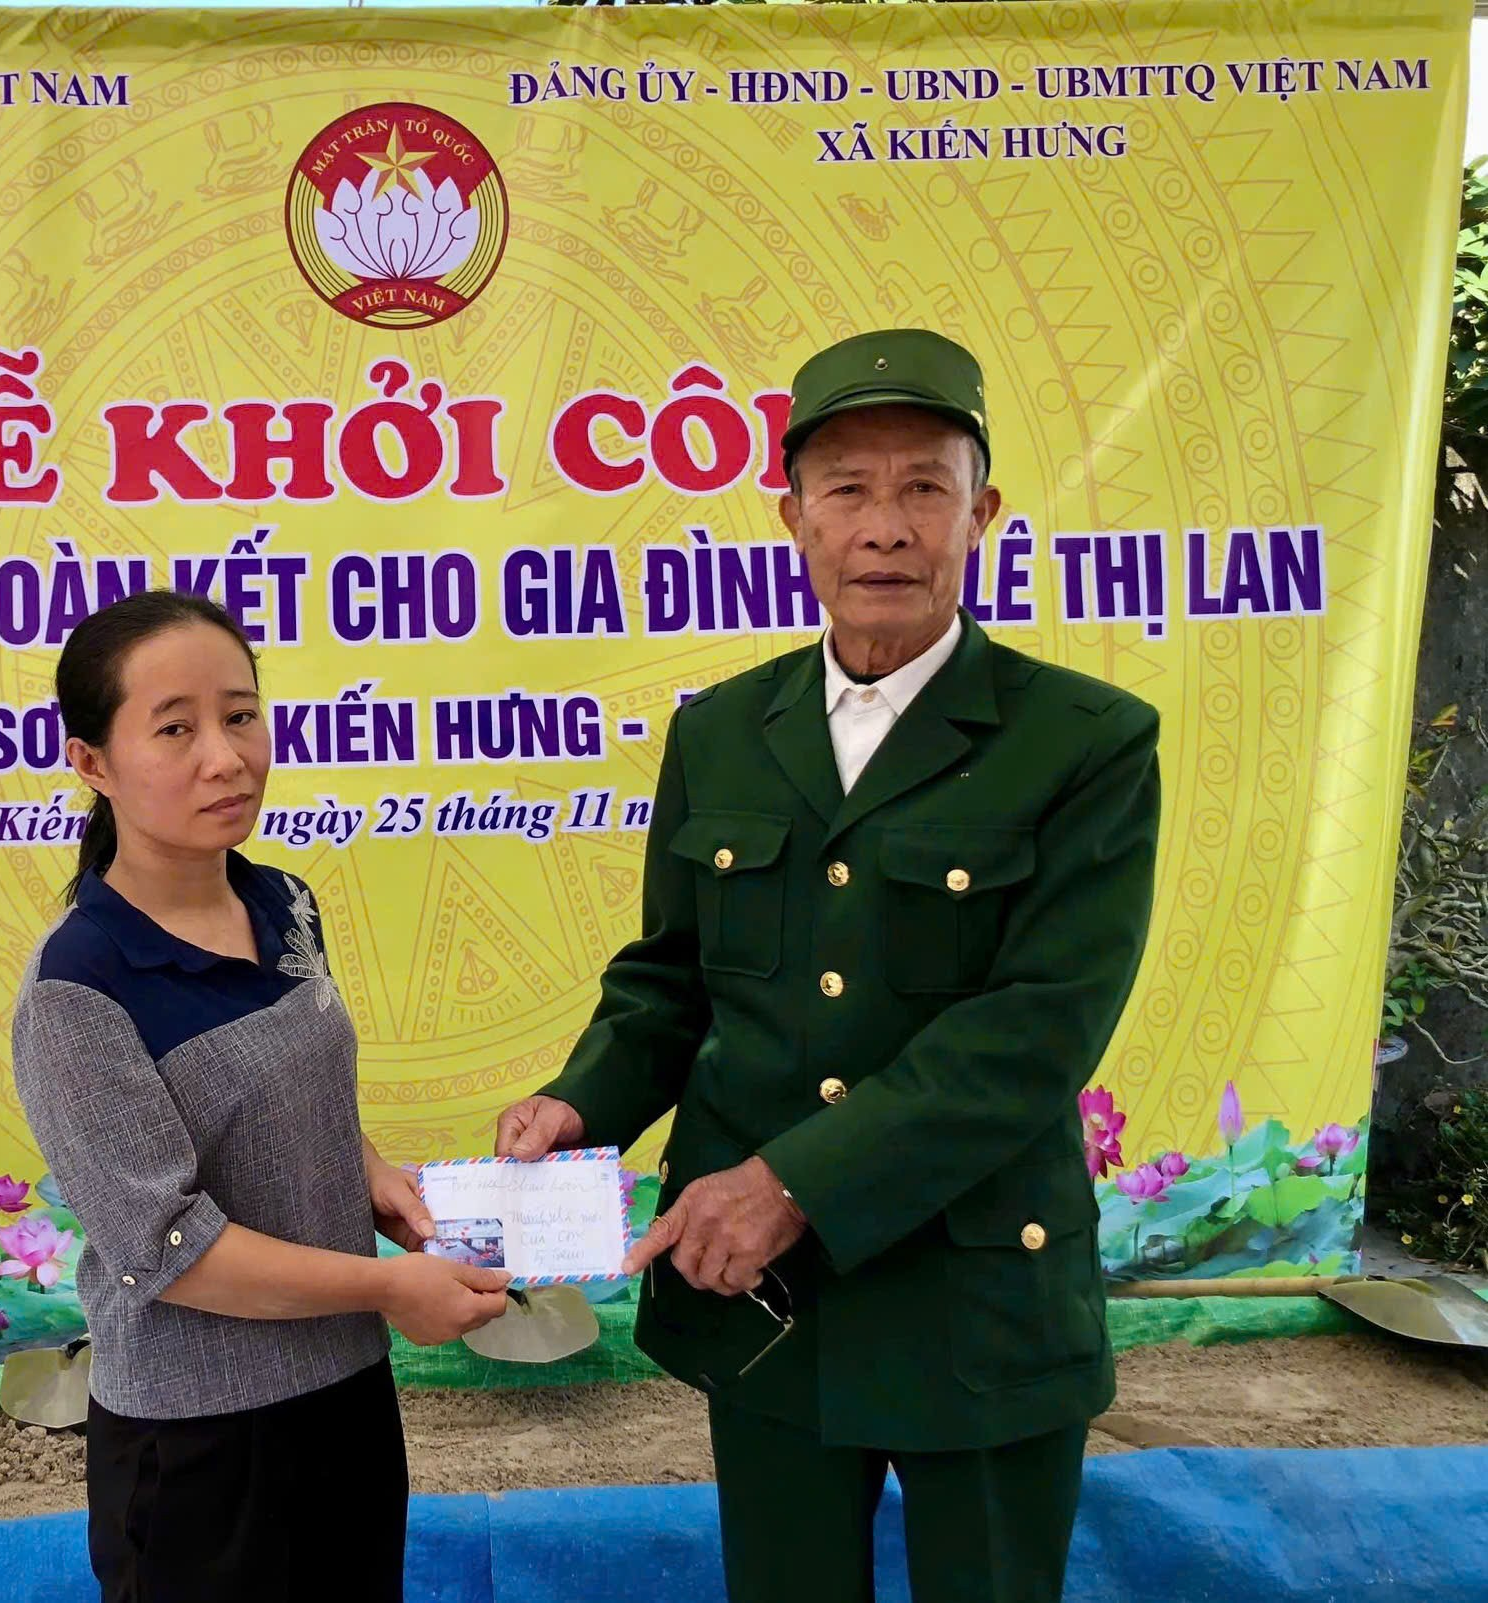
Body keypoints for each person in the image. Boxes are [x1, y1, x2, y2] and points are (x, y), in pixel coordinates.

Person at [493, 329, 1163, 1603]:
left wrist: (793, 1182)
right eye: (847, 489)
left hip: (978, 1300)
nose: (885, 526)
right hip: (768, 1309)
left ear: (984, 514)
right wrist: (581, 1103)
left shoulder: (1086, 743)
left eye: (924, 487)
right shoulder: (723, 733)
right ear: (793, 518)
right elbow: (671, 981)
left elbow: (1035, 1031)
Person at [12, 589, 510, 1603]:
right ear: (92, 763)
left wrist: (373, 1177)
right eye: (175, 729)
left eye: (240, 714)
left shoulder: (283, 901)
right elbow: (169, 1248)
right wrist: (390, 1288)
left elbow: (294, 1087)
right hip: (200, 1440)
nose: (226, 757)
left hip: (347, 1395)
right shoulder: (79, 988)